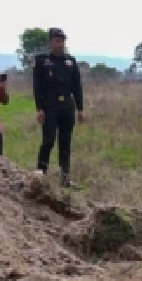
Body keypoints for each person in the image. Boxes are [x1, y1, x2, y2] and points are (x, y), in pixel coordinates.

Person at [33, 27, 85, 187]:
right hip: (50, 106)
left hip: (67, 106)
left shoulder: (70, 61)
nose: (60, 44)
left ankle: (65, 179)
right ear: (50, 42)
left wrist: (80, 109)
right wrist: (39, 109)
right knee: (48, 141)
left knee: (65, 143)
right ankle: (40, 176)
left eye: (62, 41)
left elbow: (77, 86)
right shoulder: (42, 61)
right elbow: (37, 87)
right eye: (57, 41)